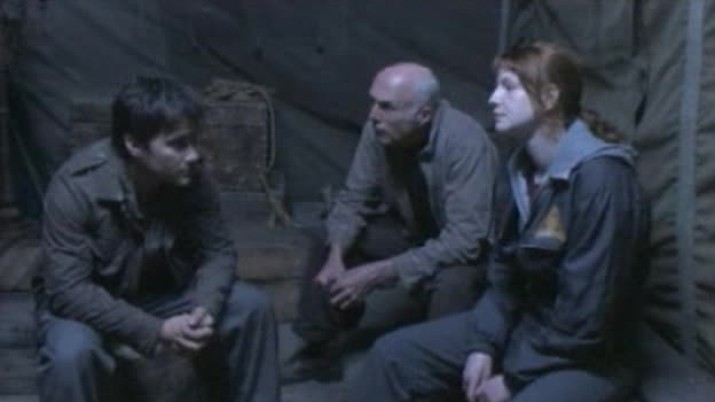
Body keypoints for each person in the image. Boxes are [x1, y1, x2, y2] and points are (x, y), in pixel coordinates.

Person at [347, 42, 650, 402]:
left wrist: (513, 377)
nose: (492, 99)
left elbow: (587, 317)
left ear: (550, 97)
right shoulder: (519, 170)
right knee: (392, 356)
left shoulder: (602, 181)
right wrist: (484, 345)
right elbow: (504, 275)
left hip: (590, 355)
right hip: (528, 328)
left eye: (508, 87)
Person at [34, 77, 280, 402]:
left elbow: (217, 253)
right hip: (92, 305)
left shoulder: (193, 177)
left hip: (161, 294)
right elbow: (68, 292)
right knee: (70, 354)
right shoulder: (76, 188)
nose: (193, 155)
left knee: (251, 307)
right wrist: (155, 330)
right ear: (134, 145)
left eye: (193, 140)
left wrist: (204, 309)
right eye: (178, 144)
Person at [283, 62, 499, 383]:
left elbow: (466, 240)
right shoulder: (378, 131)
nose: (373, 114)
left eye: (386, 106)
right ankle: (319, 348)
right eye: (373, 102)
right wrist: (336, 256)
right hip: (412, 230)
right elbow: (354, 198)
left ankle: (435, 374)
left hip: (464, 247)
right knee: (326, 240)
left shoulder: (466, 143)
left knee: (454, 283)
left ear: (423, 115)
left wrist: (380, 272)